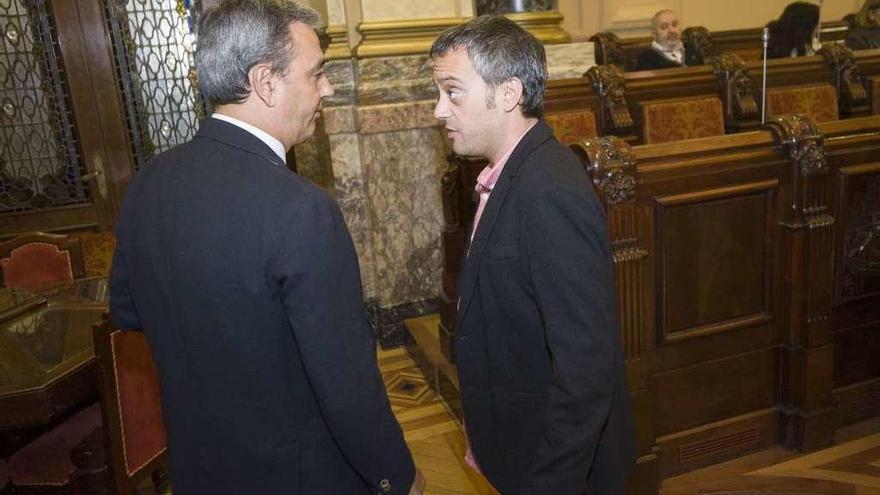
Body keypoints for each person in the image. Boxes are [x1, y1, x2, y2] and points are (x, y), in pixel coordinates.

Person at [109, 1, 423, 494]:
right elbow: (345, 382)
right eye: (316, 74)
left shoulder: (149, 183)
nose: (328, 88)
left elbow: (127, 312)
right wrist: (395, 476)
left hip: (199, 470)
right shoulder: (301, 209)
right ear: (266, 82)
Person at [431, 15, 637, 495]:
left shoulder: (548, 190)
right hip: (521, 445)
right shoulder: (512, 172)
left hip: (557, 466)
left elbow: (585, 365)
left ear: (507, 94)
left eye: (452, 91)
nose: (439, 109)